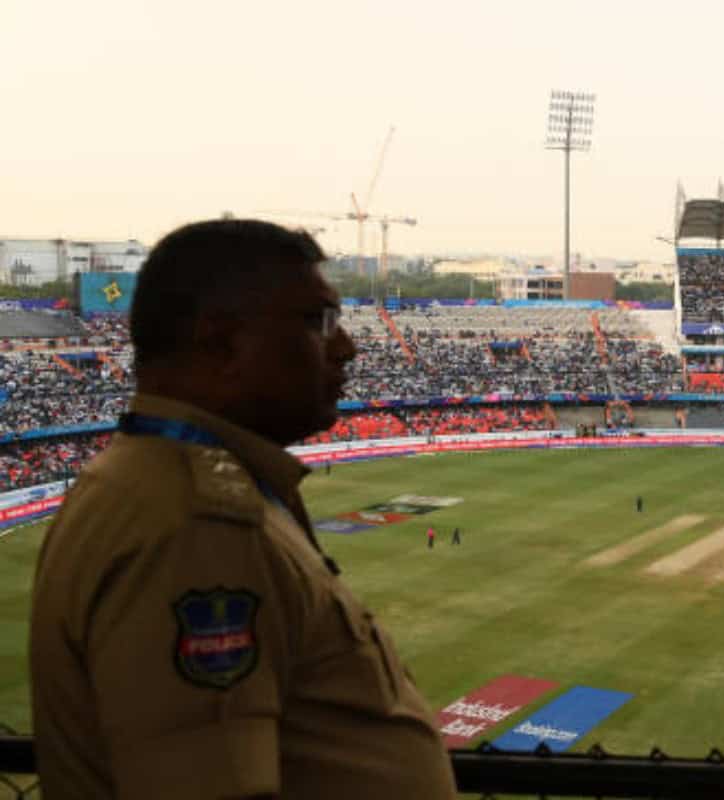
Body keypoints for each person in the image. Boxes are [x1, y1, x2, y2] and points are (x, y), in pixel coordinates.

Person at [29, 220, 456, 799]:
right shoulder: (194, 525)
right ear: (224, 342)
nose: (347, 346)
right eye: (317, 321)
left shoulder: (161, 485)